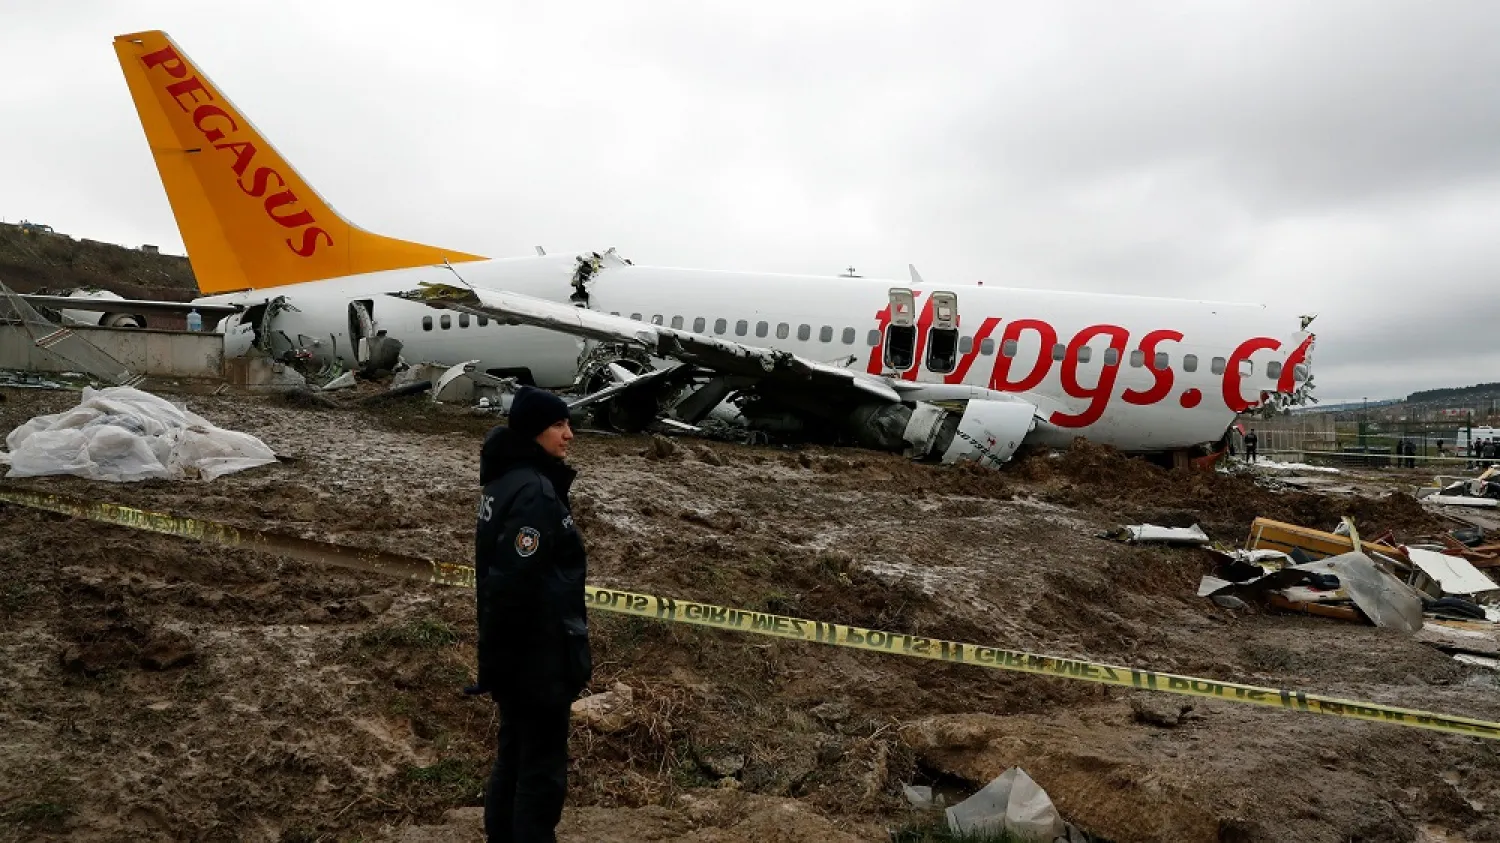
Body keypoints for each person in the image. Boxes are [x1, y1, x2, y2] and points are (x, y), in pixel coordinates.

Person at [469, 386, 592, 843]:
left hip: (516, 654)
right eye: (560, 425)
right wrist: (523, 662)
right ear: (537, 431)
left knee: (514, 757)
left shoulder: (504, 481)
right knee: (540, 772)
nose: (569, 435)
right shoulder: (534, 493)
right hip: (536, 656)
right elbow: (516, 583)